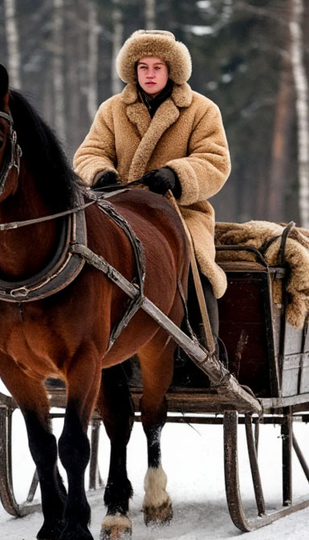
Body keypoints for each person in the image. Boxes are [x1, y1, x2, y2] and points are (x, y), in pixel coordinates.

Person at [74, 29, 231, 364]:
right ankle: (88, 347)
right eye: (143, 66)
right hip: (119, 211)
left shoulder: (202, 111)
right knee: (89, 262)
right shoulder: (112, 109)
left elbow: (215, 161)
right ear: (133, 70)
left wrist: (177, 175)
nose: (149, 74)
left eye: (156, 67)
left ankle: (204, 353)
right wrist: (100, 174)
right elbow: (89, 153)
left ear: (171, 70)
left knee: (195, 269)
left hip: (181, 212)